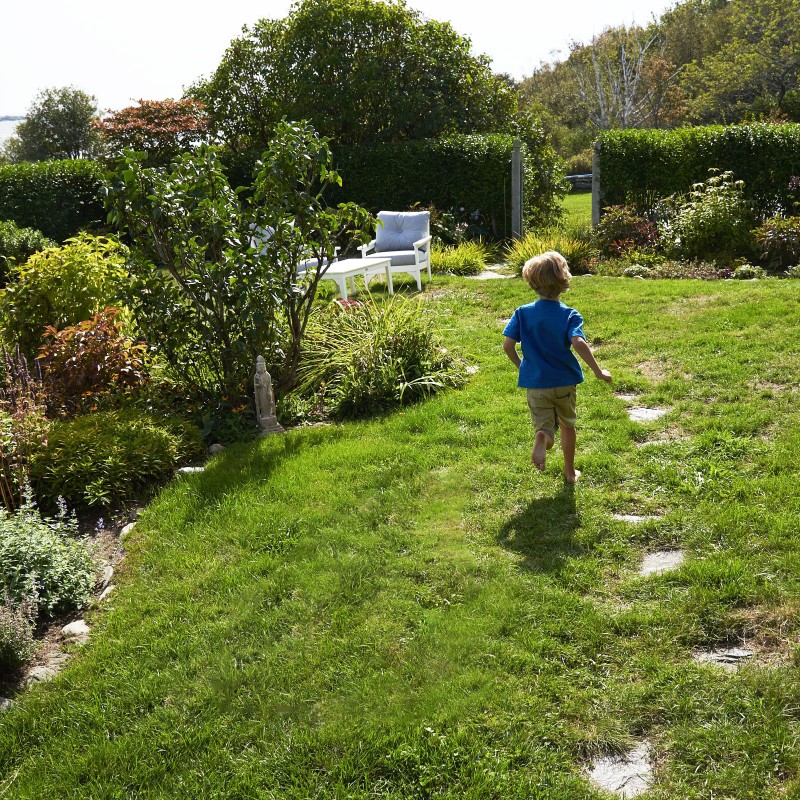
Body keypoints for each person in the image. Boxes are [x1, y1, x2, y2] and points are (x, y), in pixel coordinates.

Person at [502, 251, 611, 483]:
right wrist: (598, 371)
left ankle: (543, 437)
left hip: (536, 384)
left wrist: (522, 366)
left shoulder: (522, 313)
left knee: (545, 428)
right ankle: (570, 473)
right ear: (564, 281)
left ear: (531, 282)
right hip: (564, 382)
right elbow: (578, 342)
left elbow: (508, 345)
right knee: (567, 426)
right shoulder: (570, 315)